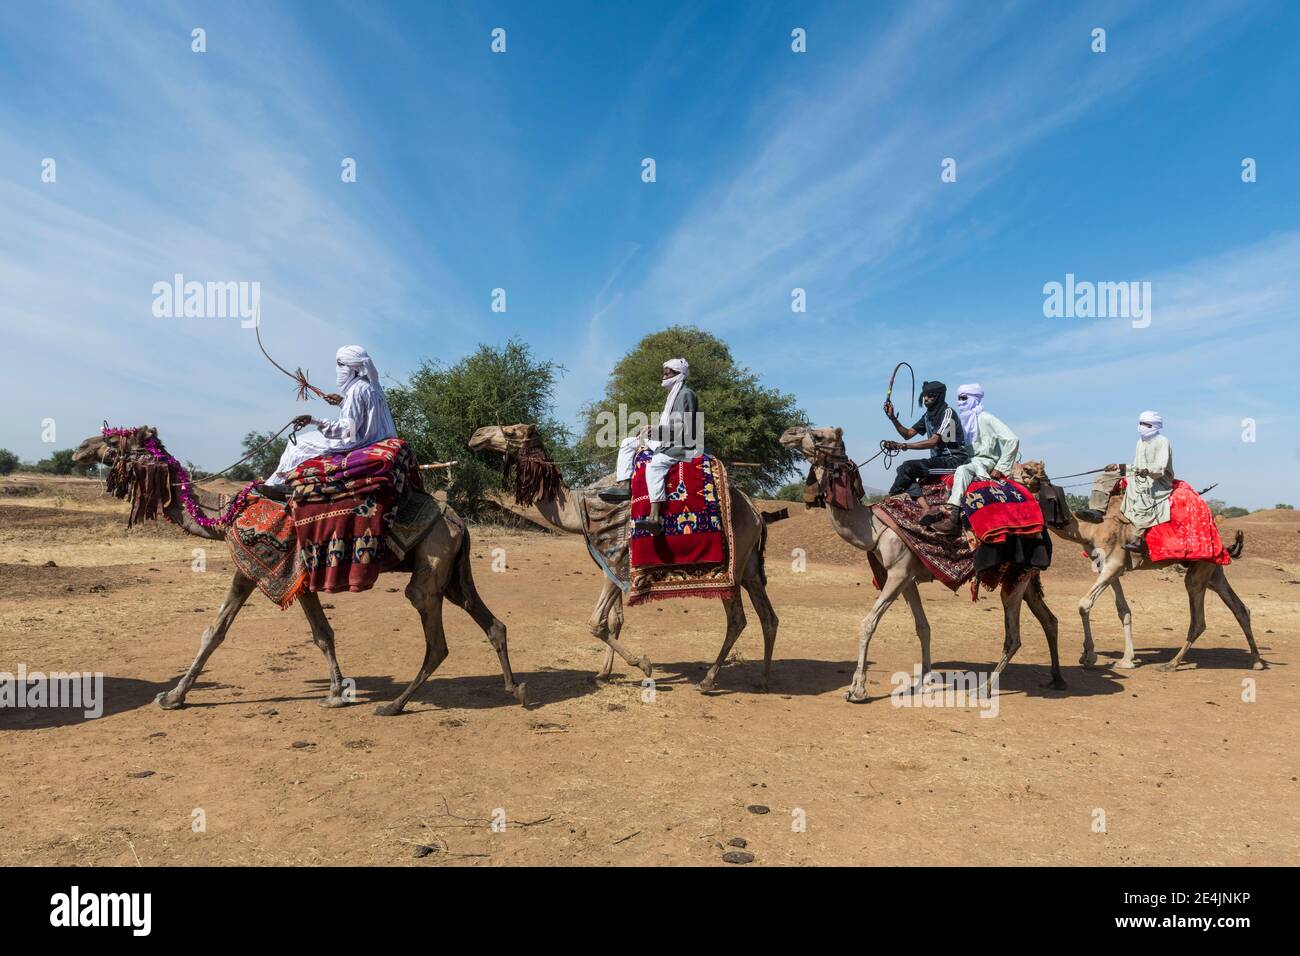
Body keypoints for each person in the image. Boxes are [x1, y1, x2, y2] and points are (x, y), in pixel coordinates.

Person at [261, 345, 398, 493]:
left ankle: (281, 486)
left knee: (298, 444)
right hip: (376, 436)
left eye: (340, 365)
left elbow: (347, 430)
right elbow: (366, 415)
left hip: (361, 440)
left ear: (351, 368)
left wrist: (313, 421)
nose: (338, 370)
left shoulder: (356, 390)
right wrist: (342, 402)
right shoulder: (372, 384)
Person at [598, 358, 700, 536]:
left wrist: (657, 432)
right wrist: (651, 432)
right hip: (666, 440)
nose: (664, 376)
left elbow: (687, 430)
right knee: (628, 443)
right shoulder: (673, 396)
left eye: (667, 373)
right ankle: (624, 486)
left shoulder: (686, 395)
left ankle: (654, 518)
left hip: (681, 446)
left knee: (654, 466)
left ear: (679, 375)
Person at [927, 383, 1019, 535]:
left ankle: (953, 518)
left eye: (963, 398)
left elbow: (1012, 439)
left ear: (974, 399)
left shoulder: (987, 418)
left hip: (985, 461)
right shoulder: (961, 421)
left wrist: (1001, 467)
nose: (959, 402)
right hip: (966, 459)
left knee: (962, 471)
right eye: (958, 399)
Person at [882, 380, 970, 496]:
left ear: (939, 396)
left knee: (908, 468)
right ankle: (924, 506)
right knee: (902, 468)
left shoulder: (947, 413)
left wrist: (903, 446)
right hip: (938, 460)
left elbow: (933, 441)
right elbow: (907, 434)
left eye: (930, 395)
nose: (926, 398)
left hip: (953, 461)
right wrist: (893, 417)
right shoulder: (927, 416)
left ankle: (892, 498)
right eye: (924, 395)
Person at [1106, 410, 1174, 555]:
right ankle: (1096, 512)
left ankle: (1137, 540)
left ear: (1154, 426)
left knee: (1142, 500)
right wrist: (1118, 466)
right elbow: (1135, 465)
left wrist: (1148, 471)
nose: (1141, 426)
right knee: (1106, 479)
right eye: (1141, 423)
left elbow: (1161, 467)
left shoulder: (1163, 441)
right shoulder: (1140, 442)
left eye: (1145, 424)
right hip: (1140, 477)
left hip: (1158, 481)